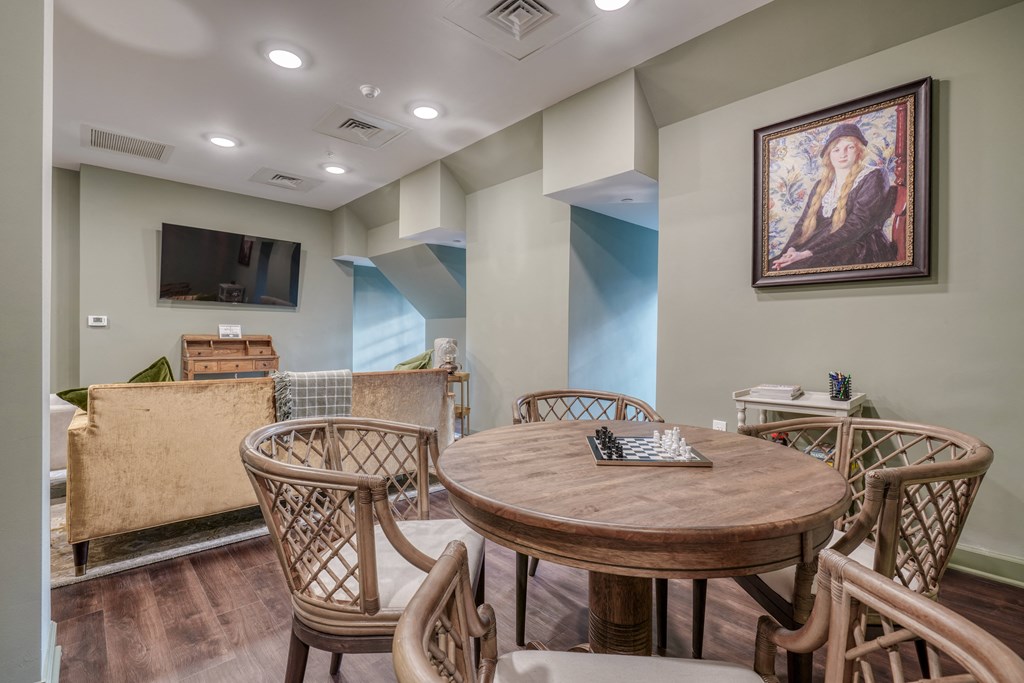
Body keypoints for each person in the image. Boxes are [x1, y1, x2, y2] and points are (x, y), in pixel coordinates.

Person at [772, 122, 897, 271]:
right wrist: (791, 250)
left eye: (849, 147)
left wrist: (807, 253)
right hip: (818, 245)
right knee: (773, 266)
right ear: (828, 155)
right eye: (836, 150)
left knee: (795, 268)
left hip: (857, 245)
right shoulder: (822, 184)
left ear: (859, 151)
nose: (842, 154)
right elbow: (802, 224)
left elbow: (858, 224)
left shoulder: (874, 176)